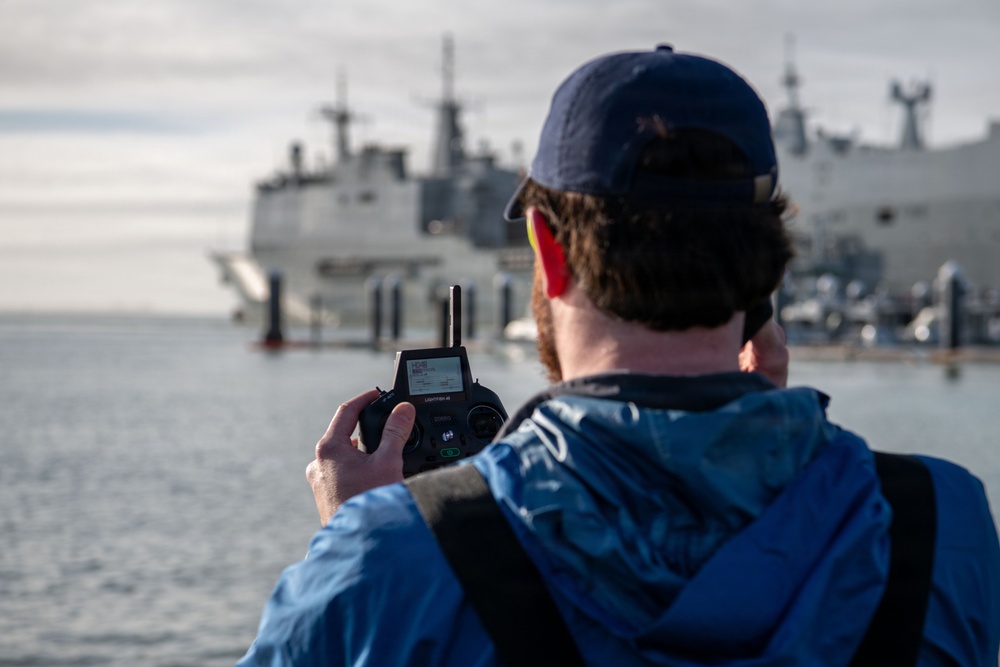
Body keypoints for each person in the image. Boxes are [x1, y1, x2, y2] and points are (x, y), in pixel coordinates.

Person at [238, 45, 1000, 666]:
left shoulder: (385, 559)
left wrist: (359, 542)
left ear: (546, 249)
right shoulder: (944, 523)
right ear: (769, 265)